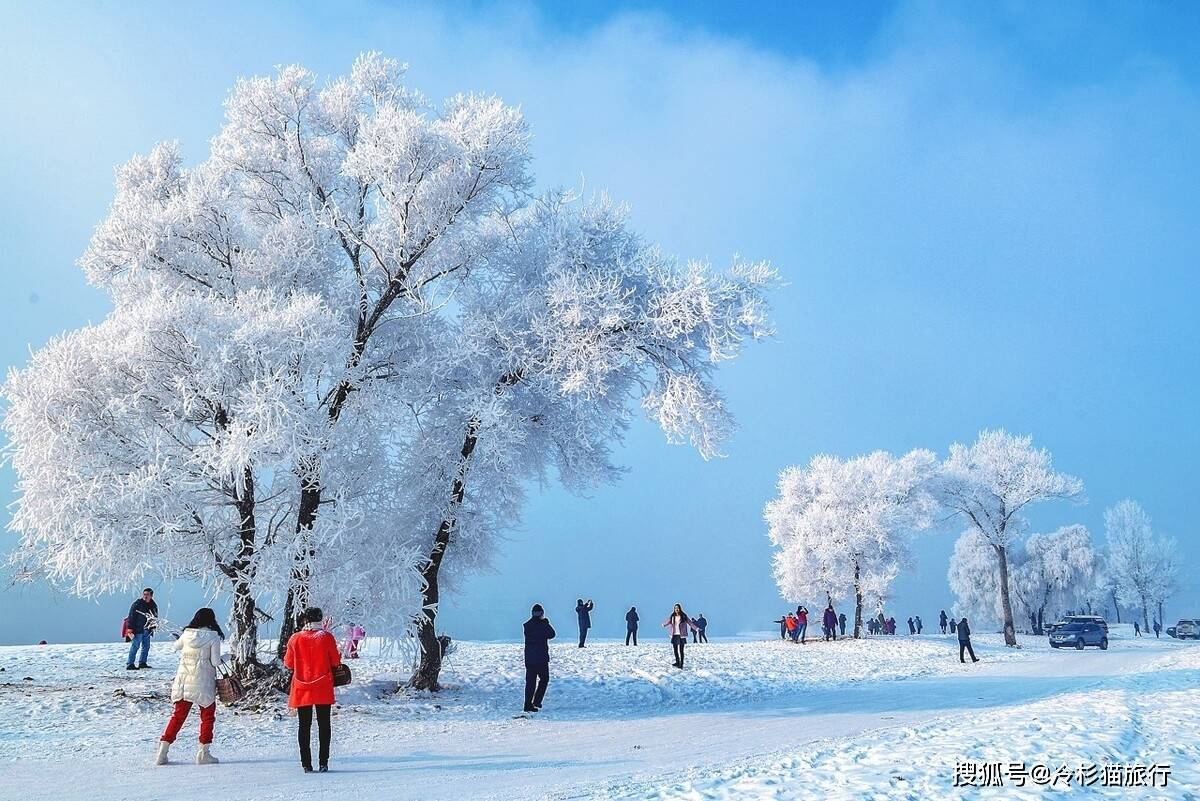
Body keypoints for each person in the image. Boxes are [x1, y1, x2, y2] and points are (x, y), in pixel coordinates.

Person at [155, 608, 223, 766]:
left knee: (178, 717)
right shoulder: (213, 637)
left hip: (183, 681)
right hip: (203, 682)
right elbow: (215, 662)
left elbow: (175, 647)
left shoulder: (186, 634)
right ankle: (203, 754)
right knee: (207, 717)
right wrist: (228, 657)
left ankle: (162, 751)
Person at [284, 607, 342, 773]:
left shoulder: (295, 638)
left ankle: (306, 764)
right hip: (322, 686)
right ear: (320, 619)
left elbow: (288, 664)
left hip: (302, 687)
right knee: (324, 725)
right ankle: (323, 762)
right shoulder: (326, 637)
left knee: (304, 725)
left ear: (304, 620)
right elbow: (335, 661)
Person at [523, 603, 556, 712]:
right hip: (541, 658)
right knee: (544, 679)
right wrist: (546, 623)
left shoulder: (527, 625)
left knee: (530, 682)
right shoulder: (543, 625)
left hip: (529, 658)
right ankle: (537, 701)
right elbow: (552, 634)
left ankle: (527, 705)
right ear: (541, 613)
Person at [126, 587, 159, 670]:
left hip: (147, 629)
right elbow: (131, 616)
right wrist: (130, 628)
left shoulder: (153, 605)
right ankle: (130, 664)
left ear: (151, 596)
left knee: (146, 647)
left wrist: (153, 627)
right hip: (138, 629)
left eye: (147, 595)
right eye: (144, 594)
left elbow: (155, 616)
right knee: (135, 646)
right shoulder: (137, 604)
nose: (145, 596)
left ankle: (142, 662)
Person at [662, 604, 696, 668]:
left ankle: (681, 664)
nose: (676, 609)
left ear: (680, 608)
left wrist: (696, 628)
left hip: (681, 635)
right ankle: (677, 662)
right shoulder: (672, 616)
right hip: (674, 634)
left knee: (681, 650)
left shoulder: (683, 616)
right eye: (675, 608)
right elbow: (668, 622)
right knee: (675, 650)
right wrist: (664, 624)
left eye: (677, 608)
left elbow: (690, 623)